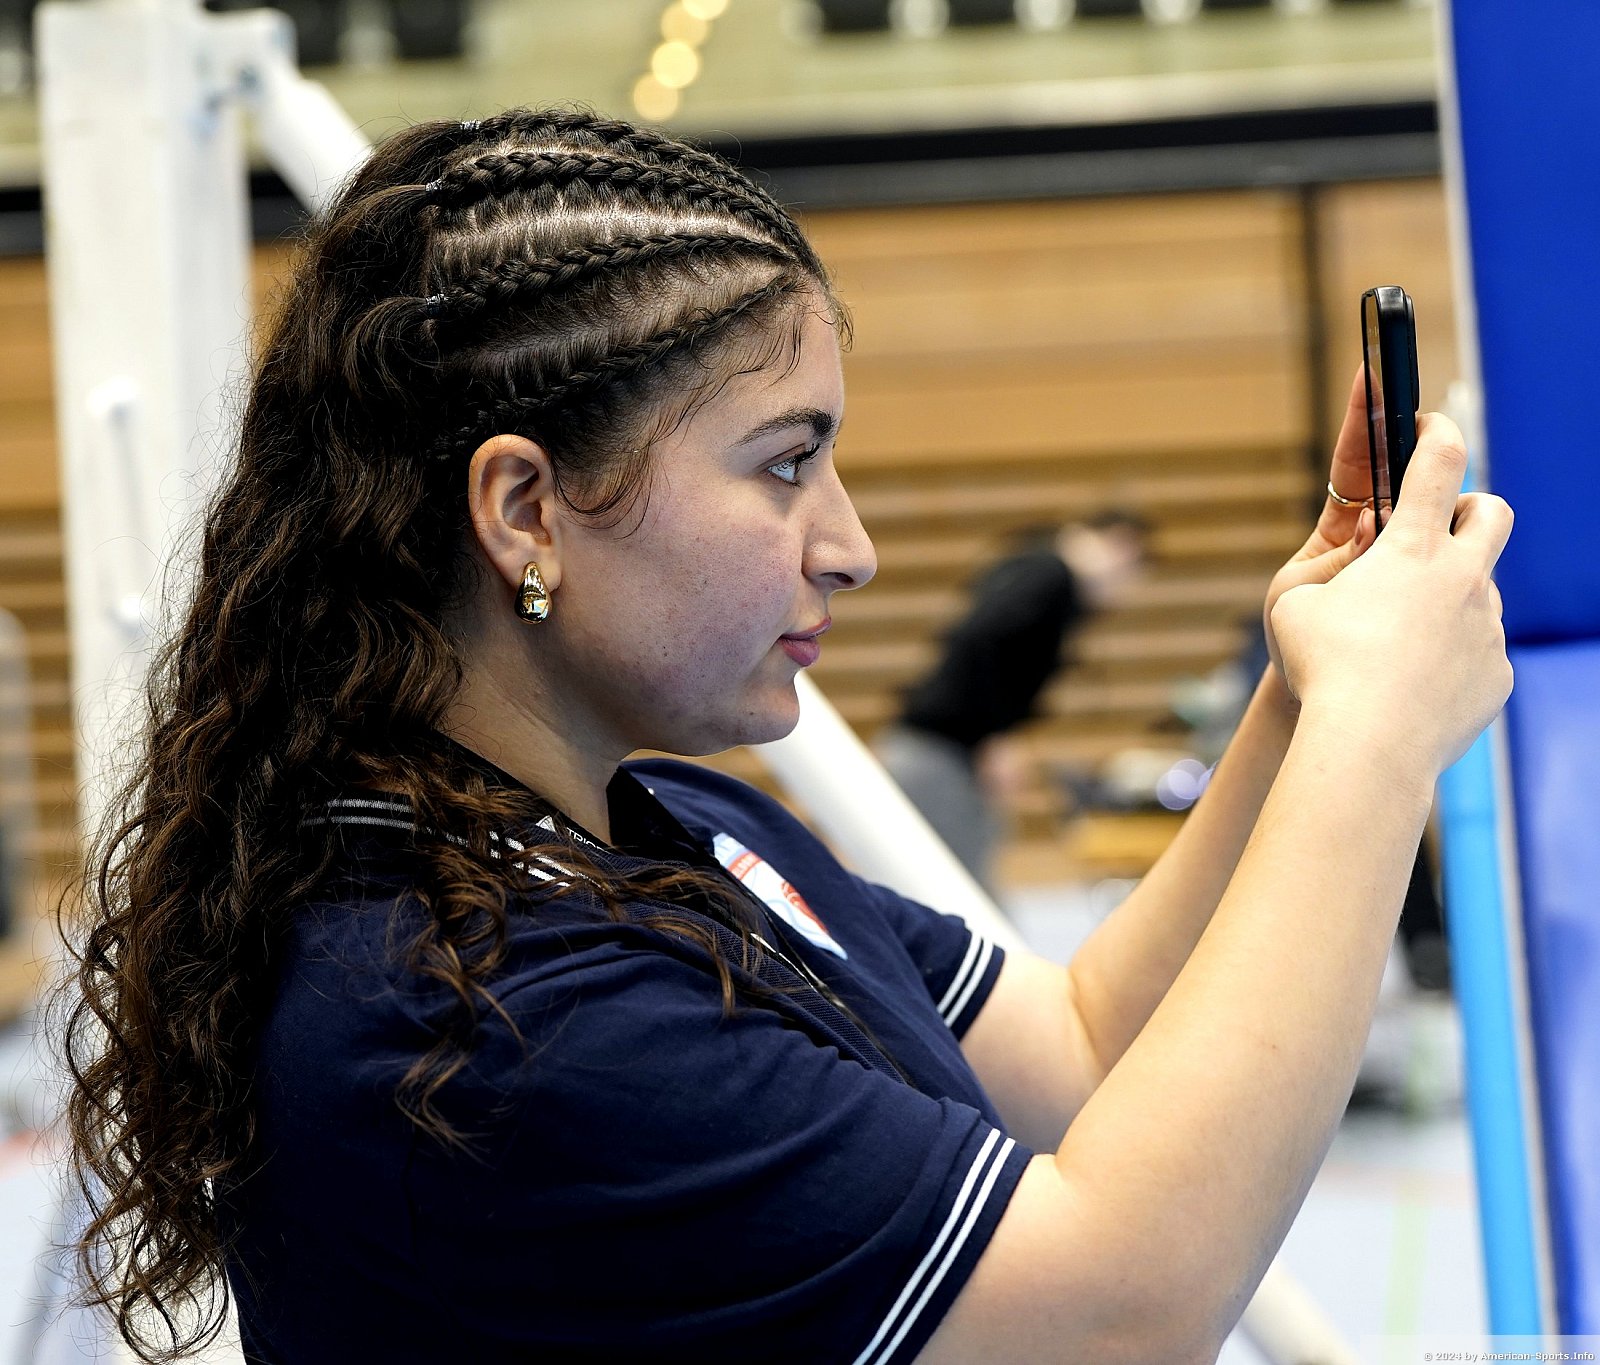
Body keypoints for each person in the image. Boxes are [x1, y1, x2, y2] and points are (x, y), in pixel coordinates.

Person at [58, 106, 1513, 1365]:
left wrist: (1301, 695)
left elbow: (1082, 1048)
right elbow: (1116, 1310)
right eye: (785, 464)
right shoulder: (474, 1015)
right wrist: (1375, 741)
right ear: (526, 511)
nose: (851, 548)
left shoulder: (678, 827)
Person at [874, 511, 1149, 892]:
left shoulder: (1036, 571)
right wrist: (998, 734)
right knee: (961, 887)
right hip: (938, 754)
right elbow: (978, 638)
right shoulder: (1050, 574)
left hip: (939, 750)